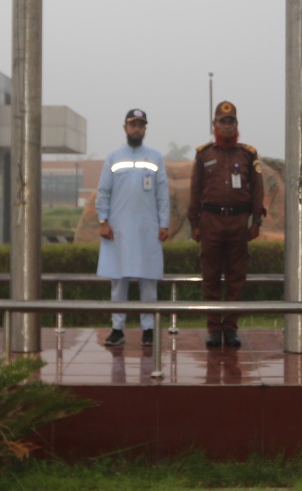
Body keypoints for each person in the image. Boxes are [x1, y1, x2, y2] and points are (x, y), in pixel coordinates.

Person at [188, 101, 264, 348]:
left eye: (231, 122)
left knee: (236, 278)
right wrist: (194, 223)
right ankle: (213, 328)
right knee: (210, 276)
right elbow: (195, 190)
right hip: (211, 221)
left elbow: (257, 191)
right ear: (214, 125)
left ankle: (230, 328)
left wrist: (256, 221)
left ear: (237, 125)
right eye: (222, 121)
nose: (227, 126)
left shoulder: (248, 154)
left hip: (238, 222)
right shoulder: (204, 154)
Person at [96, 108, 171, 348]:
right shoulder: (113, 157)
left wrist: (164, 223)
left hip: (148, 231)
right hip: (118, 231)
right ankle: (117, 328)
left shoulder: (156, 158)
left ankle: (148, 329)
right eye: (132, 124)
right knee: (119, 282)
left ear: (145, 128)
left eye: (140, 125)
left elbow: (162, 194)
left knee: (148, 282)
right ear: (125, 128)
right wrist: (103, 220)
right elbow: (103, 192)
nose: (136, 129)